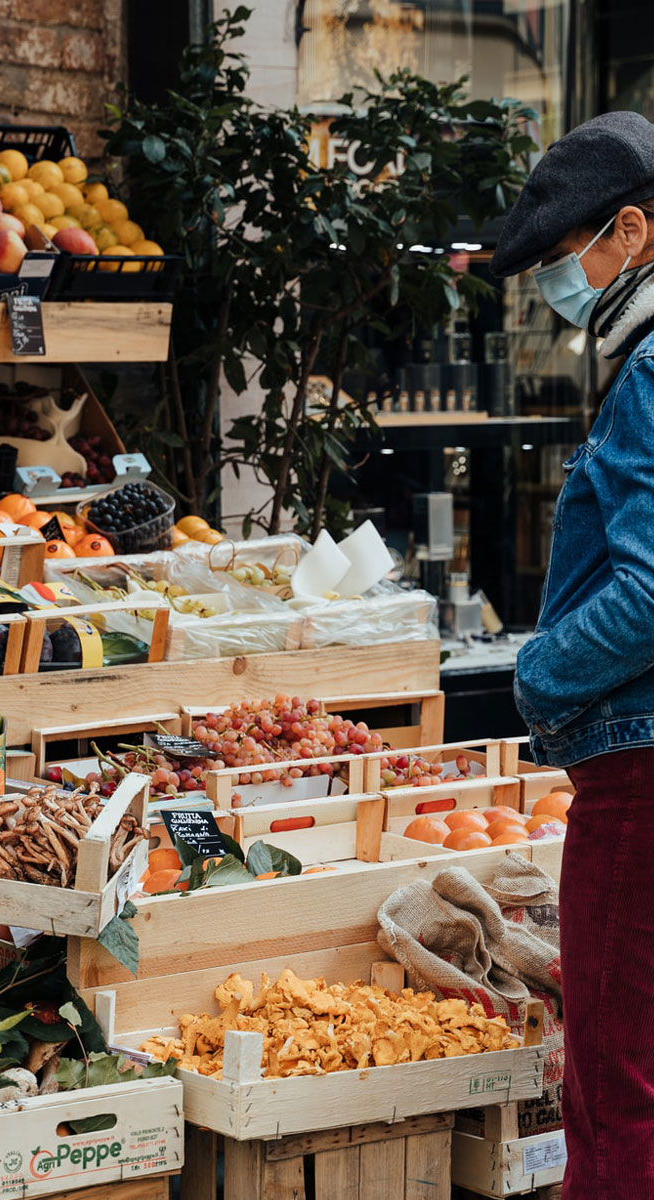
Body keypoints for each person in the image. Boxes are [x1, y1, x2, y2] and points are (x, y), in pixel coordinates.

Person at [492, 110, 654, 1198]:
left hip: (642, 770)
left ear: (631, 232)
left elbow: (649, 590)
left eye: (561, 259)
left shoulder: (650, 377)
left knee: (617, 1077)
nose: (556, 286)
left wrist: (538, 674)